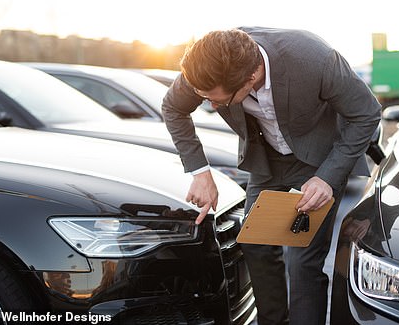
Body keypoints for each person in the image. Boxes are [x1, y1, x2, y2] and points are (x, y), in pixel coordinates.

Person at [161, 27, 381, 325]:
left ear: (250, 78)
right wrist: (200, 172)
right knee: (255, 241)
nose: (211, 106)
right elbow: (173, 108)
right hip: (265, 160)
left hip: (318, 162)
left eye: (218, 101)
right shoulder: (208, 68)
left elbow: (366, 112)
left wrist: (328, 178)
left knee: (302, 260)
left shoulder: (315, 59)